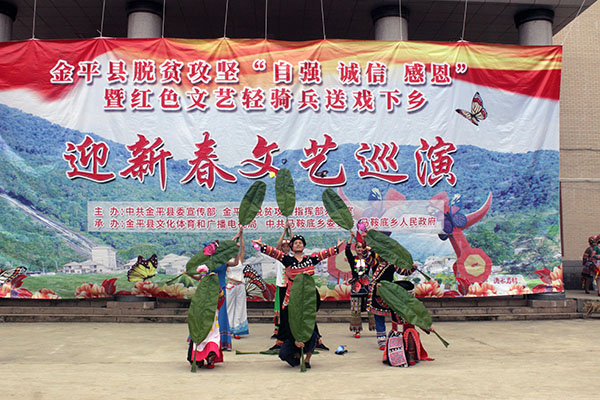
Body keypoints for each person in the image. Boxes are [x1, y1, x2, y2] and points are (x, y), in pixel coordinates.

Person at [254, 234, 342, 364]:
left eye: (300, 242)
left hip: (308, 298)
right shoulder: (287, 260)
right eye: (295, 243)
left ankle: (307, 358)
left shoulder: (309, 259)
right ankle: (295, 351)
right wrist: (262, 246)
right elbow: (275, 253)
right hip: (292, 298)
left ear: (304, 246)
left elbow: (323, 255)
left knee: (310, 325)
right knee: (291, 325)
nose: (298, 244)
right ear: (292, 247)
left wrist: (336, 248)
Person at [380, 281, 433, 367]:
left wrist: (427, 327)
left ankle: (410, 356)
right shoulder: (392, 304)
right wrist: (379, 290)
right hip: (396, 331)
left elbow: (419, 319)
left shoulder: (414, 305)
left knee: (410, 337)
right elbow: (381, 302)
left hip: (409, 330)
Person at [186, 273, 224, 369]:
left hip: (210, 325)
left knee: (210, 341)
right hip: (203, 324)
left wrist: (216, 282)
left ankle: (207, 359)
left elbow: (221, 296)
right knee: (204, 341)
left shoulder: (211, 299)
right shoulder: (200, 298)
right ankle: (203, 360)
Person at [277, 289, 322, 369]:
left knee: (314, 336)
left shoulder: (308, 308)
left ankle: (307, 359)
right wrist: (294, 341)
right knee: (283, 354)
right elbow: (287, 327)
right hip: (293, 336)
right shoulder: (288, 309)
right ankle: (297, 355)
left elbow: (317, 303)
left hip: (307, 332)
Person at [344, 231, 375, 338]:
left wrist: (366, 240)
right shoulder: (353, 259)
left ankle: (376, 328)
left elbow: (374, 253)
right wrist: (351, 238)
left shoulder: (368, 259)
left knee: (371, 308)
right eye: (358, 247)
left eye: (362, 247)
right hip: (356, 287)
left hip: (367, 286)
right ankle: (357, 330)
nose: (360, 249)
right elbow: (347, 251)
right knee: (355, 309)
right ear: (355, 249)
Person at [269, 222, 293, 350]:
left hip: (291, 287)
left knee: (289, 311)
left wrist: (291, 230)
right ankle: (279, 332)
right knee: (281, 311)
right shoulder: (279, 257)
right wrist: (284, 231)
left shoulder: (292, 258)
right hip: (282, 286)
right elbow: (277, 246)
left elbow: (296, 243)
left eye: (288, 246)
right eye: (284, 246)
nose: (285, 248)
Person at [226, 226, 248, 339]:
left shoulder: (239, 259)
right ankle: (228, 329)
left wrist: (241, 234)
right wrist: (235, 237)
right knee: (229, 307)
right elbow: (225, 248)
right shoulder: (226, 260)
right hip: (231, 285)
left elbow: (243, 247)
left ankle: (237, 330)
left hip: (240, 286)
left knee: (240, 307)